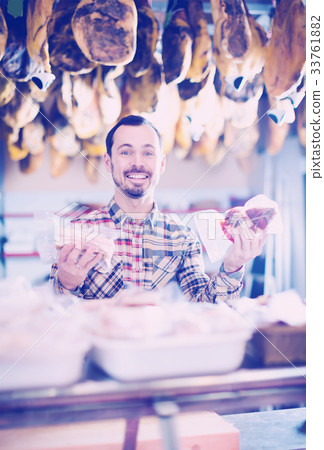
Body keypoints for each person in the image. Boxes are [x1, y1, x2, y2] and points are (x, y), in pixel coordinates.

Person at [50, 115, 267, 302]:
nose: (137, 162)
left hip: (162, 350)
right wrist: (66, 285)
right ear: (108, 162)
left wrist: (232, 266)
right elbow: (53, 317)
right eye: (126, 152)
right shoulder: (78, 232)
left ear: (161, 164)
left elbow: (205, 307)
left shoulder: (183, 237)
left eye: (148, 153)